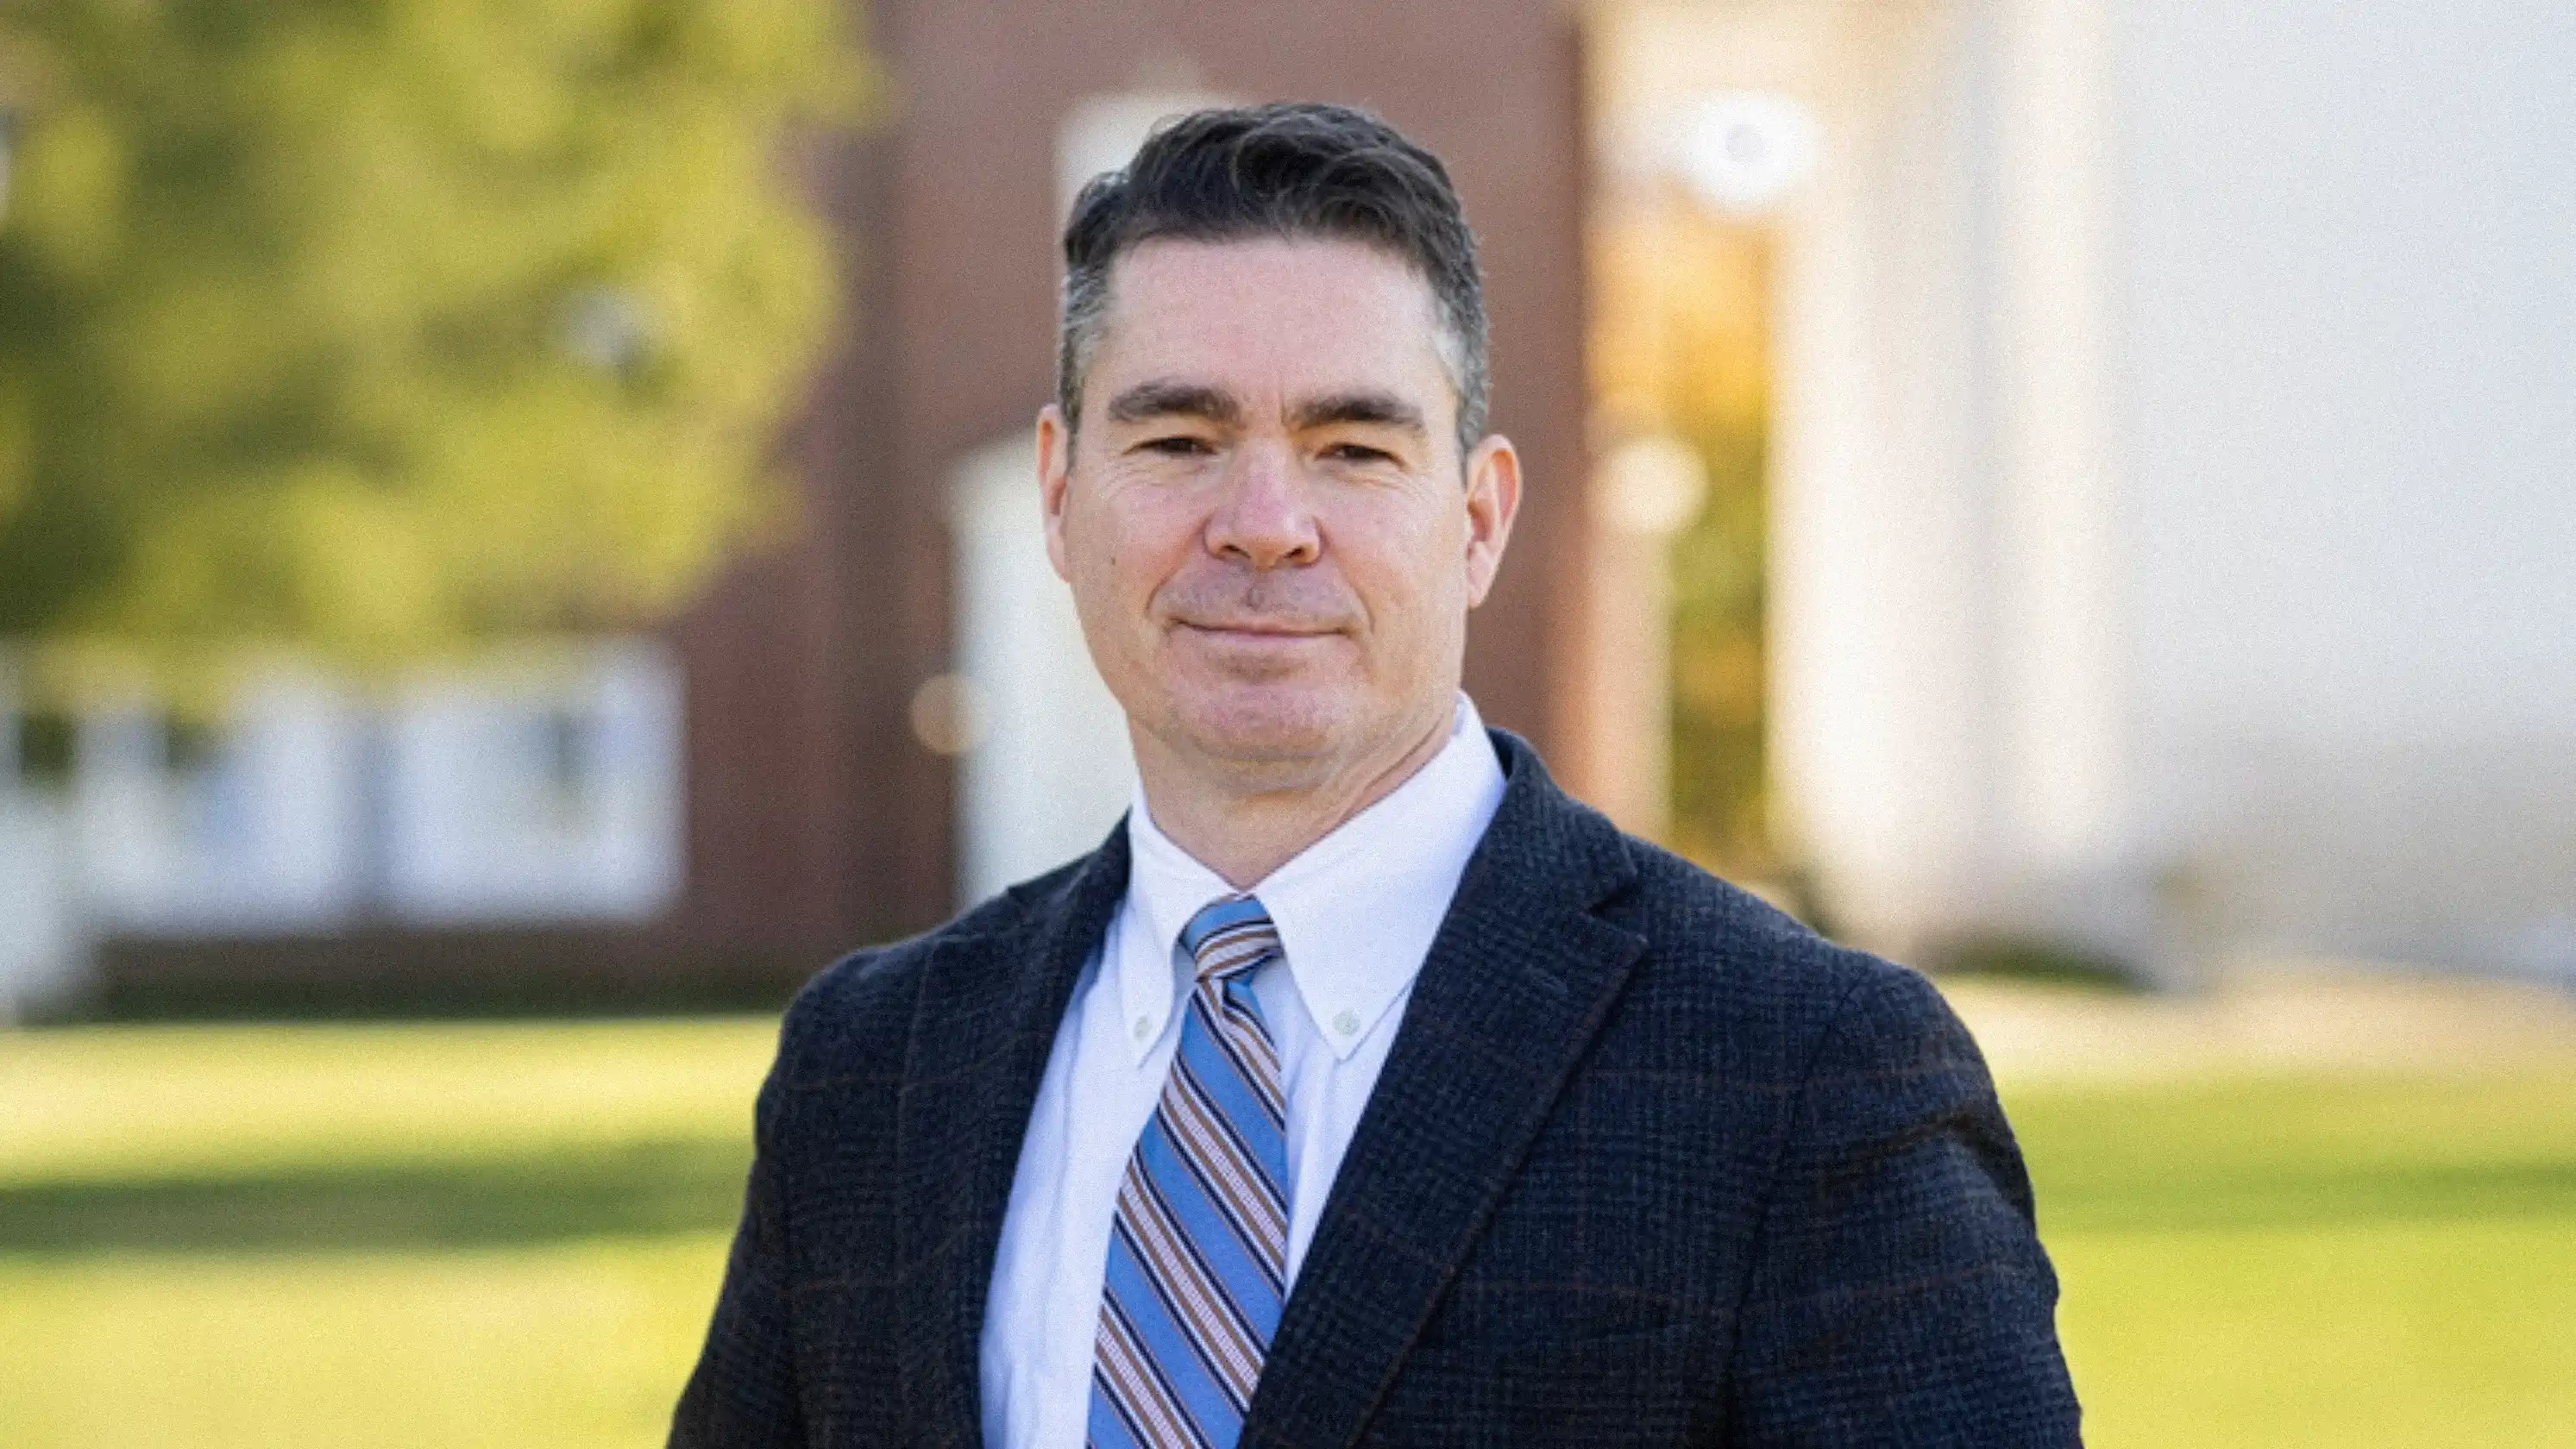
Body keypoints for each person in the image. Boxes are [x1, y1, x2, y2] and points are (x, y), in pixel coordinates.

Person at [672, 102, 2081, 1448]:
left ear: (1475, 519)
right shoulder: (871, 1067)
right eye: (1179, 441)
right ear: (1057, 495)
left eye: (1353, 447)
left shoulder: (1803, 1073)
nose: (1266, 525)